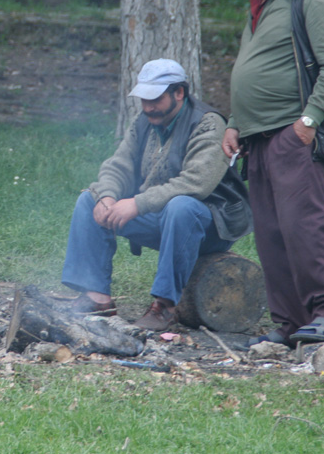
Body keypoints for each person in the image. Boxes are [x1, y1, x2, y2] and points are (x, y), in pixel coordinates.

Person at [218, 0, 324, 345]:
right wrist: (235, 123)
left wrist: (308, 122)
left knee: (303, 226)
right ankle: (292, 323)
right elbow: (251, 68)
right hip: (257, 139)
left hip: (291, 135)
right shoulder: (261, 2)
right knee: (271, 233)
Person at [61, 59, 253, 331]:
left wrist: (137, 204)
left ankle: (165, 307)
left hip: (211, 225)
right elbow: (119, 165)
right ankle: (97, 298)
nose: (148, 107)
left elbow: (196, 183)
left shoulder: (209, 124)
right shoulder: (144, 121)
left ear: (179, 92)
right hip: (163, 216)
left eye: (155, 99)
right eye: (144, 99)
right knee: (89, 200)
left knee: (181, 206)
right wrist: (107, 196)